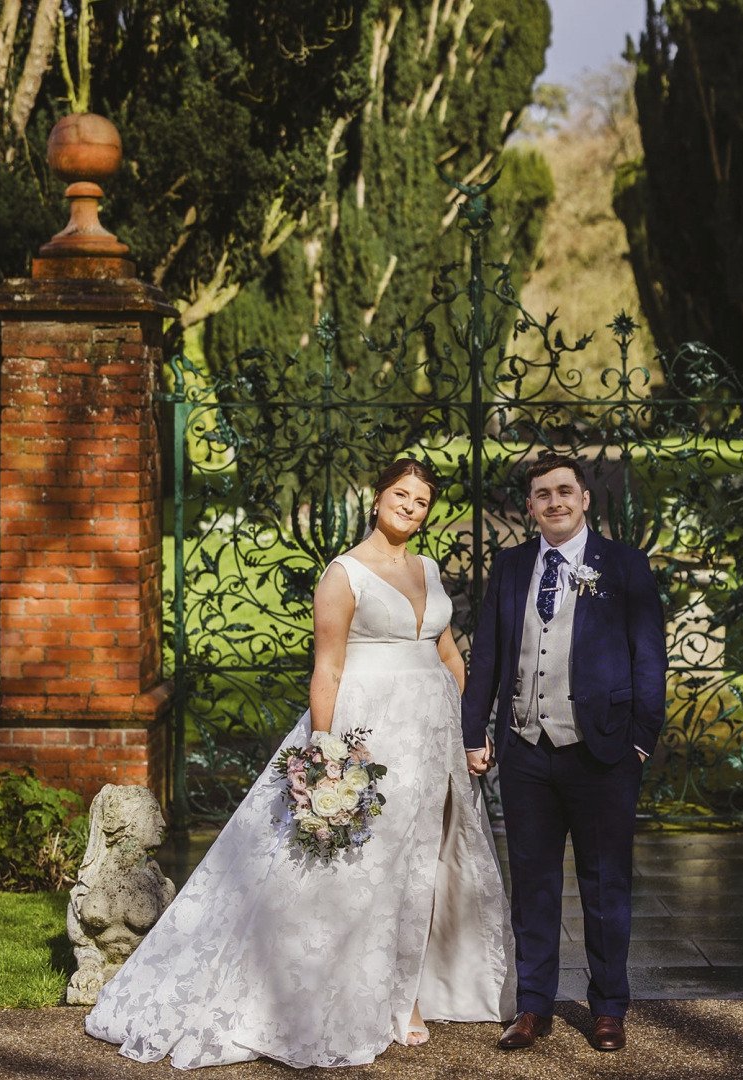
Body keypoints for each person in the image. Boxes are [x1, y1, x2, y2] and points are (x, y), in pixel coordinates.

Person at [86, 459, 516, 1070]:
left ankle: (409, 991)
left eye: (421, 501)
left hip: (433, 744)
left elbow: (448, 652)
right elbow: (329, 669)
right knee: (358, 866)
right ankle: (341, 994)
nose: (410, 508)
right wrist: (326, 755)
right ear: (378, 498)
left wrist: (465, 729)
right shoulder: (343, 575)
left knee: (423, 863)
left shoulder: (427, 569)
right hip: (368, 739)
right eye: (401, 495)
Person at [462, 453, 667, 1053]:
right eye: (541, 495)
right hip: (527, 749)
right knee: (532, 885)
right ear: (530, 507)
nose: (554, 502)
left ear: (584, 500)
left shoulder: (623, 566)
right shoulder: (510, 566)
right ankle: (532, 1006)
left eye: (563, 492)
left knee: (605, 885)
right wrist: (476, 731)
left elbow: (649, 657)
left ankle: (608, 1007)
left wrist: (639, 740)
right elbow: (490, 659)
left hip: (602, 752)